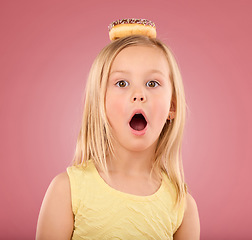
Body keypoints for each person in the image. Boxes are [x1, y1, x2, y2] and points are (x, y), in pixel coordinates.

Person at [36, 25, 200, 239]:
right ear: (100, 103)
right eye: (121, 83)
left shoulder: (182, 206)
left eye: (152, 83)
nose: (139, 94)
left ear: (172, 106)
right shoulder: (66, 191)